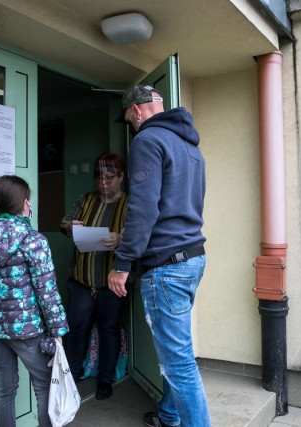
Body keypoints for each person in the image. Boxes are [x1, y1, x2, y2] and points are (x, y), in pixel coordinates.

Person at [107, 85, 210, 427]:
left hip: (166, 266)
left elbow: (142, 207)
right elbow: (180, 204)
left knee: (179, 363)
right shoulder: (191, 147)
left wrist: (122, 263)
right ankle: (168, 415)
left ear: (136, 111)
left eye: (128, 120)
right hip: (192, 257)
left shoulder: (147, 141)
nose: (131, 126)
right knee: (174, 350)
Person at [0, 175, 68, 427]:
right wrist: (58, 329)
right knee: (44, 385)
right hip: (28, 330)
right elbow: (46, 291)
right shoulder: (33, 240)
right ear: (25, 204)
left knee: (5, 388)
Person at [60, 152, 128, 401]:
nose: (104, 183)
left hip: (110, 282)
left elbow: (138, 237)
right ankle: (72, 374)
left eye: (110, 178)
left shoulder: (129, 203)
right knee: (76, 328)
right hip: (81, 279)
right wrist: (70, 227)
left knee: (109, 329)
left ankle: (105, 379)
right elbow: (65, 223)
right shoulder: (86, 199)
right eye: (99, 178)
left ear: (121, 177)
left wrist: (121, 239)